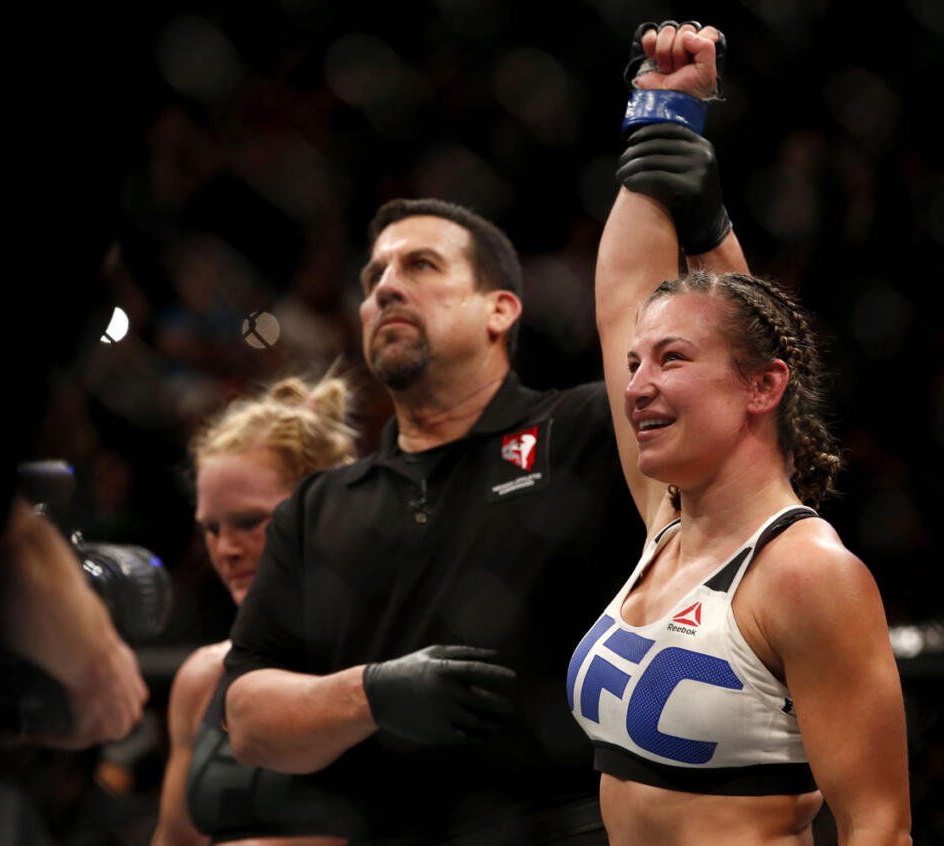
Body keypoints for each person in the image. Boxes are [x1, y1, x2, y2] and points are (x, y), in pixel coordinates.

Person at [567, 22, 913, 845]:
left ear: (763, 388)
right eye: (635, 365)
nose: (637, 384)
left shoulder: (807, 576)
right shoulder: (669, 522)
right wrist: (664, 111)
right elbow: (625, 295)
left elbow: (880, 828)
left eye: (671, 360)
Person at [221, 198, 646, 843]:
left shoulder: (584, 432)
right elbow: (248, 720)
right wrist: (372, 694)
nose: (386, 287)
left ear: (499, 309)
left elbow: (690, 365)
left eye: (420, 265)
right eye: (372, 280)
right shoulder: (317, 507)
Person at [152, 371, 359, 846]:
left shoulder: (388, 652)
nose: (226, 549)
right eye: (211, 528)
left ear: (325, 506)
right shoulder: (202, 679)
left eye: (248, 522)